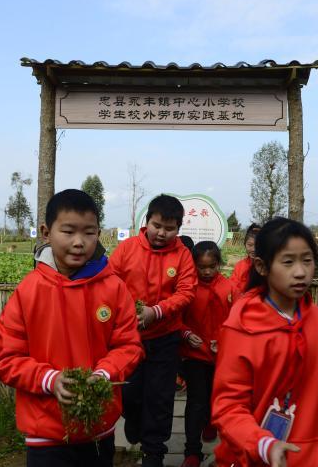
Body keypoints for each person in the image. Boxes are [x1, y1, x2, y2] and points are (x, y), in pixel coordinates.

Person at [211, 217, 318, 467]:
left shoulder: (316, 319)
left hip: (311, 458)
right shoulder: (242, 328)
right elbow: (228, 407)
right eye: (288, 262)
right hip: (252, 458)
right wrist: (262, 443)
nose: (301, 272)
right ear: (262, 266)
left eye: (307, 260)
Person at [0, 189, 144, 467]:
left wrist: (103, 374)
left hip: (99, 427)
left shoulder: (114, 287)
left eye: (89, 232)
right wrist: (50, 380)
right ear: (46, 232)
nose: (79, 243)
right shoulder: (29, 292)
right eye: (69, 231)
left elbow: (129, 346)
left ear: (99, 233)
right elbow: (5, 358)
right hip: (46, 432)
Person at [109, 194, 197, 467]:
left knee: (159, 398)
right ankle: (133, 419)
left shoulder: (182, 255)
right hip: (129, 338)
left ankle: (153, 453)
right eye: (157, 225)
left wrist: (156, 312)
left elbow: (186, 292)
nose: (162, 233)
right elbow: (110, 283)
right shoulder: (127, 249)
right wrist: (125, 314)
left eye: (169, 229)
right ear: (147, 222)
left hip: (165, 338)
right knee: (130, 393)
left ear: (178, 229)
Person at [179, 241, 239, 467]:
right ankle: (192, 452)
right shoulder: (187, 288)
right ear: (193, 264)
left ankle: (213, 422)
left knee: (219, 400)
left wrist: (225, 340)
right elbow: (177, 319)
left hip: (223, 357)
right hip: (194, 354)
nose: (206, 271)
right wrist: (186, 335)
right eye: (201, 267)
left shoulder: (230, 288)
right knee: (196, 402)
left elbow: (238, 321)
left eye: (211, 266)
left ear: (219, 264)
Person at [229, 223, 260, 292]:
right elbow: (233, 287)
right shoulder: (239, 266)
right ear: (245, 244)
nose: (253, 249)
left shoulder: (267, 266)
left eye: (257, 245)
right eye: (250, 245)